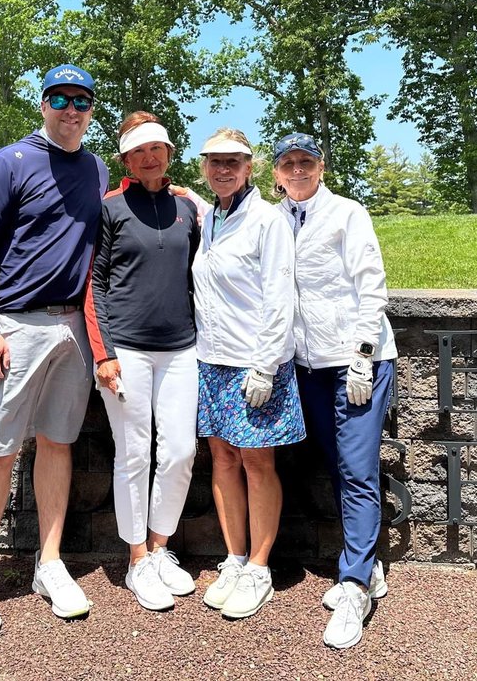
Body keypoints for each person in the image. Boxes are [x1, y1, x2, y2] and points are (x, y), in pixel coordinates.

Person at [0, 64, 109, 638]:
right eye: (60, 99)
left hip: (74, 328)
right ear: (43, 104)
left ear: (91, 109)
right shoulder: (10, 162)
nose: (71, 109)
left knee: (58, 443)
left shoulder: (96, 169)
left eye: (82, 100)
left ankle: (49, 563)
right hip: (16, 326)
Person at [271, 131, 397, 649]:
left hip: (356, 361)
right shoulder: (273, 220)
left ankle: (352, 585)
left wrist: (363, 354)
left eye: (307, 161)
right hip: (307, 367)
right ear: (275, 172)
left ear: (321, 167)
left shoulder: (348, 213)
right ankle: (367, 564)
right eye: (288, 163)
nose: (298, 170)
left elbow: (372, 284)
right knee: (333, 464)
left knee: (357, 467)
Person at [85, 112, 203, 611]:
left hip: (182, 349)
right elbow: (95, 284)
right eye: (139, 151)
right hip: (126, 350)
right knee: (133, 455)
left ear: (169, 154)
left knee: (179, 451)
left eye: (158, 149)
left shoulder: (186, 209)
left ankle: (160, 547)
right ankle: (136, 560)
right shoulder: (111, 208)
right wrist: (103, 353)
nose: (150, 157)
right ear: (126, 160)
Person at [193, 128, 304, 619]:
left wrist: (265, 365)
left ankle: (260, 566)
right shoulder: (211, 217)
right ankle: (234, 557)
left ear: (250, 166)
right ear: (204, 168)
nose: (223, 169)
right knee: (221, 458)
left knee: (257, 462)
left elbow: (281, 298)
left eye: (232, 162)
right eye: (214, 162)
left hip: (255, 363)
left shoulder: (267, 220)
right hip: (211, 359)